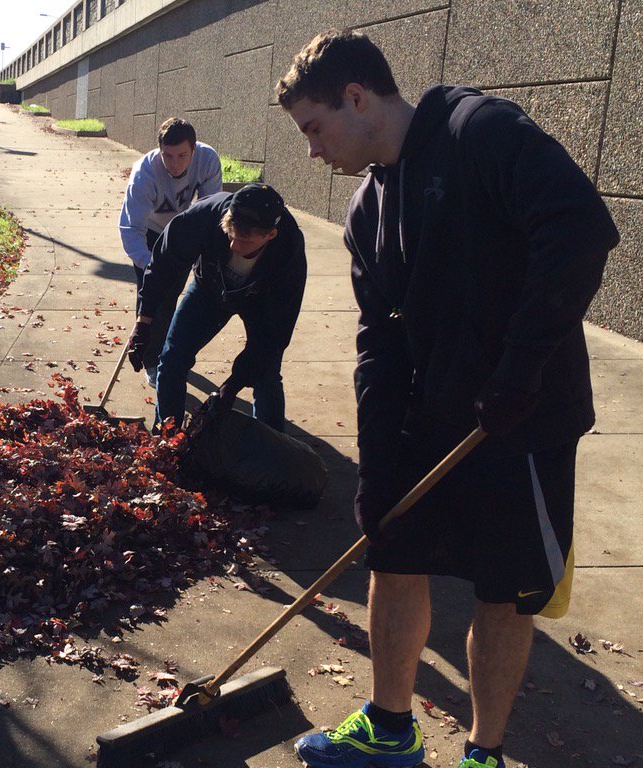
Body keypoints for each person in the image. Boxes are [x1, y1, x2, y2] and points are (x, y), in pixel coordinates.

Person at [276, 29, 619, 768]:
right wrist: (376, 463)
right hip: (430, 416)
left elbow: (580, 231)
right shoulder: (368, 208)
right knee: (393, 554)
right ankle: (390, 730)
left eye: (314, 127)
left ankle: (484, 754)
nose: (312, 151)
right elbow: (379, 341)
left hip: (521, 421)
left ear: (357, 98)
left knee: (504, 591)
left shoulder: (479, 131)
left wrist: (519, 370)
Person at [128, 183, 307, 432]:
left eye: (244, 241)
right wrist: (144, 321)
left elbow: (275, 334)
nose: (233, 246)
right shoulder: (203, 217)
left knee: (266, 374)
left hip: (262, 300)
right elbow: (162, 266)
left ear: (270, 235)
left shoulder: (288, 251)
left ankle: (272, 445)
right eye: (230, 235)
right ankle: (167, 439)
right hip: (209, 288)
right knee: (172, 359)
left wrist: (233, 385)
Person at [118, 118, 222, 386]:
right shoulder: (144, 173)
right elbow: (131, 229)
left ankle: (172, 353)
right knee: (153, 297)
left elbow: (211, 212)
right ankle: (152, 360)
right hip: (150, 233)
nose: (174, 164)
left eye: (182, 156)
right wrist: (151, 268)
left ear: (194, 149)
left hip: (183, 230)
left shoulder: (207, 160)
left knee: (175, 295)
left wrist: (203, 252)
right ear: (159, 150)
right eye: (167, 155)